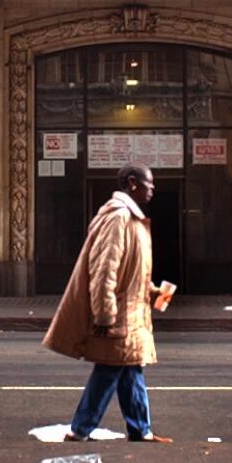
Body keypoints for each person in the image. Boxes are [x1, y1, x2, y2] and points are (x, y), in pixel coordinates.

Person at [42, 163, 172, 443]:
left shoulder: (131, 218)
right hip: (121, 316)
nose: (153, 189)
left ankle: (140, 429)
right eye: (149, 184)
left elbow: (131, 272)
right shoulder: (118, 219)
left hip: (131, 314)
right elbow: (105, 271)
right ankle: (80, 429)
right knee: (110, 369)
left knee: (130, 367)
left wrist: (153, 292)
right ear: (133, 183)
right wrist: (104, 315)